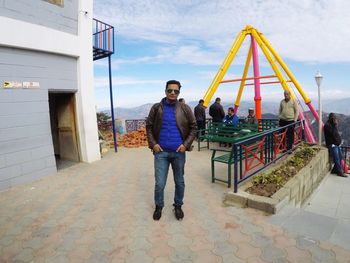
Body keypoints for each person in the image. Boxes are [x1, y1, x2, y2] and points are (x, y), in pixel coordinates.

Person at [146, 80, 197, 221]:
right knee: (159, 183)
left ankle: (178, 205)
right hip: (161, 152)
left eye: (176, 91)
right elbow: (149, 126)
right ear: (165, 91)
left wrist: (185, 145)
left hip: (178, 153)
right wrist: (153, 144)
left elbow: (194, 127)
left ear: (179, 92)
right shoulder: (156, 108)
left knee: (179, 182)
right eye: (170, 90)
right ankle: (159, 206)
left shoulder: (185, 108)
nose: (173, 93)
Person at [324, 113, 347, 177]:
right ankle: (339, 171)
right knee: (336, 158)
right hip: (332, 145)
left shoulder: (332, 125)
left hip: (336, 144)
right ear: (331, 118)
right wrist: (334, 125)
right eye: (334, 118)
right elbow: (333, 134)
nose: (335, 120)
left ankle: (334, 170)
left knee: (340, 157)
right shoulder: (327, 126)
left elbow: (336, 134)